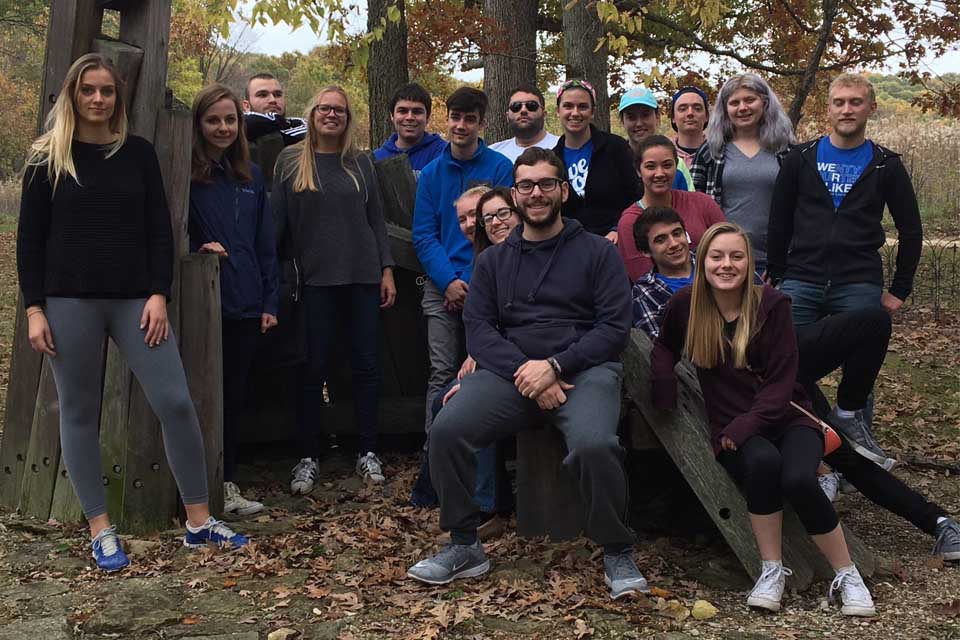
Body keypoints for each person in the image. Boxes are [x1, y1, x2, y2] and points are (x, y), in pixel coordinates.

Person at [17, 53, 248, 572]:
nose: (98, 99)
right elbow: (29, 242)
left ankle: (198, 522)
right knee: (78, 414)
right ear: (73, 96)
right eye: (89, 91)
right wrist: (35, 309)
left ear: (118, 99)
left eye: (107, 91)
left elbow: (158, 229)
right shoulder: (45, 158)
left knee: (177, 402)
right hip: (68, 301)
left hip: (134, 301)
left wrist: (157, 293)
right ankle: (100, 529)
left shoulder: (137, 153)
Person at [633, 212, 960, 564]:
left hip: (777, 373)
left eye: (677, 234)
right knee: (839, 455)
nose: (673, 244)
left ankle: (935, 519)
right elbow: (664, 344)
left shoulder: (721, 258)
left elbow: (765, 311)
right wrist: (663, 381)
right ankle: (924, 517)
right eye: (660, 239)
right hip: (732, 390)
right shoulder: (660, 294)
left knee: (844, 435)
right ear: (647, 251)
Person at [408, 147, 649, 601]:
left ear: (564, 189)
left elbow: (614, 328)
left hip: (583, 370)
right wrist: (527, 372)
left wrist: (555, 367)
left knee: (596, 444)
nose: (535, 193)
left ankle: (616, 548)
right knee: (447, 427)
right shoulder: (492, 262)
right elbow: (479, 331)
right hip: (509, 373)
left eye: (545, 184)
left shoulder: (597, 251)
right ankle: (464, 544)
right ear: (514, 194)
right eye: (525, 185)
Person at [650, 222, 875, 615]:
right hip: (734, 427)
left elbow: (781, 385)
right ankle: (772, 571)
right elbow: (664, 347)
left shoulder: (772, 305)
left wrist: (745, 425)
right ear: (701, 262)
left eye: (736, 256)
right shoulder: (685, 305)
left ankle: (848, 575)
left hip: (788, 418)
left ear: (748, 262)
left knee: (799, 477)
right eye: (717, 257)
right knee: (762, 463)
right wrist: (663, 380)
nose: (726, 265)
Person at [766, 73, 923, 464]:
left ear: (871, 108)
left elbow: (911, 229)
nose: (847, 109)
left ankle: (857, 449)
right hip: (801, 279)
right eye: (839, 102)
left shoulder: (886, 165)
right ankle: (810, 449)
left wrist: (900, 288)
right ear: (829, 109)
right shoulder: (799, 159)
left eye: (856, 102)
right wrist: (779, 272)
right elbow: (779, 222)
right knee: (788, 364)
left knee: (860, 366)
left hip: (858, 280)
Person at [273, 85, 396, 492]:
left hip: (361, 277)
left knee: (366, 366)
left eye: (339, 110)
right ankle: (308, 455)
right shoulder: (291, 162)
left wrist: (386, 269)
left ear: (348, 117)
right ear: (312, 114)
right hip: (313, 282)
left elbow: (376, 221)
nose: (331, 115)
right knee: (312, 368)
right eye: (324, 108)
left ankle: (367, 449)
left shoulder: (360, 164)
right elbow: (277, 227)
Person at [188, 84, 279, 516]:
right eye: (213, 120)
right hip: (200, 303)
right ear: (198, 125)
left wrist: (269, 302)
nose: (222, 128)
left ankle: (226, 484)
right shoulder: (185, 173)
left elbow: (266, 245)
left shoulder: (251, 177)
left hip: (246, 302)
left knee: (234, 397)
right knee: (196, 395)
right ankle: (193, 484)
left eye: (230, 120)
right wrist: (198, 248)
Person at [411, 186, 521, 538]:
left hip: (528, 364)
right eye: (467, 219)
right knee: (445, 400)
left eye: (486, 214)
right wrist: (477, 354)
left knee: (471, 406)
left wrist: (485, 357)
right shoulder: (485, 261)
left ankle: (488, 508)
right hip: (496, 361)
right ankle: (455, 499)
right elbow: (483, 322)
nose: (475, 223)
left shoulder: (526, 256)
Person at [412, 87, 513, 437]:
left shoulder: (500, 168)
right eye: (456, 117)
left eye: (470, 119)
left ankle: (486, 466)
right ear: (447, 119)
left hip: (491, 288)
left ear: (481, 123)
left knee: (483, 370)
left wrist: (476, 283)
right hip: (442, 289)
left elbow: (505, 230)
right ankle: (433, 456)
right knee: (441, 372)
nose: (461, 125)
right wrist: (449, 282)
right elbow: (424, 234)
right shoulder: (432, 173)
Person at [690, 74, 794, 274]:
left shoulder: (786, 151)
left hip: (778, 260)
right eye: (734, 102)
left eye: (749, 100)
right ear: (725, 109)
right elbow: (695, 206)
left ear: (764, 103)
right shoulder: (711, 151)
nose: (742, 108)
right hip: (725, 261)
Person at [617, 135, 724, 282]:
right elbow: (642, 277)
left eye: (667, 165)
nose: (660, 173)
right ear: (638, 171)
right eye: (650, 166)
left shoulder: (702, 203)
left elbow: (727, 247)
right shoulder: (630, 222)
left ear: (676, 166)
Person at [552, 79, 640, 242]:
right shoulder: (552, 160)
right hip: (568, 245)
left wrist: (618, 228)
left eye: (583, 106)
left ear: (592, 112)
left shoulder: (615, 148)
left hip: (614, 242)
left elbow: (636, 194)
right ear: (558, 111)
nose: (575, 113)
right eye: (568, 106)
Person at [616, 86, 694, 190]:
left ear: (657, 117)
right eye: (631, 117)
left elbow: (690, 203)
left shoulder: (677, 164)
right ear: (622, 121)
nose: (639, 123)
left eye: (645, 115)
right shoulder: (614, 162)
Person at [372, 82, 446, 175]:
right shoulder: (377, 158)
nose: (409, 117)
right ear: (392, 115)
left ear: (427, 117)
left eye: (417, 112)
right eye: (402, 111)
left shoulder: (444, 154)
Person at [489, 83, 560, 162]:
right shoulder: (493, 154)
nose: (523, 110)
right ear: (507, 116)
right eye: (516, 106)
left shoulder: (563, 147)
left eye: (531, 105)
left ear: (544, 114)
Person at [242, 73, 307, 147]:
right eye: (263, 95)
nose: (273, 100)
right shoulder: (235, 135)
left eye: (278, 95)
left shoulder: (305, 128)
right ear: (246, 106)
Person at [670, 86, 709, 166]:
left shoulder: (720, 153)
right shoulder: (663, 153)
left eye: (697, 108)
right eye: (683, 109)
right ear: (673, 117)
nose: (690, 113)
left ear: (707, 116)